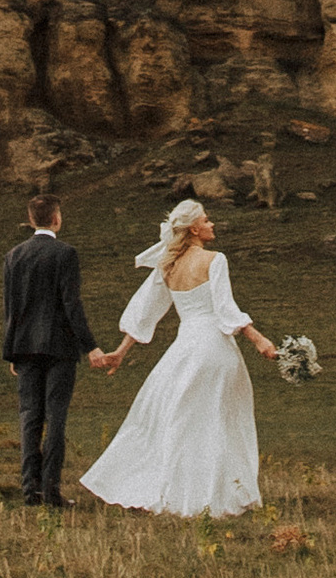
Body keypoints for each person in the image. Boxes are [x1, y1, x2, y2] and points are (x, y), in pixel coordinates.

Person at [79, 198, 280, 521]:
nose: (212, 224)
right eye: (207, 220)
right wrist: (259, 340)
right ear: (194, 229)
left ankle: (183, 490)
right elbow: (225, 310)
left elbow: (146, 310)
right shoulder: (214, 260)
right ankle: (217, 493)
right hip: (214, 349)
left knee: (179, 419)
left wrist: (121, 351)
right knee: (218, 420)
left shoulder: (169, 265)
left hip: (184, 350)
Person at [0, 194, 96, 511]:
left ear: (31, 220)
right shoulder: (66, 253)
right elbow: (71, 304)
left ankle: (30, 490)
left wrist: (11, 352)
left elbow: (11, 308)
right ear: (56, 218)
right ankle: (51, 490)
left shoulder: (13, 256)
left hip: (25, 347)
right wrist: (90, 345)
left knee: (30, 416)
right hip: (59, 347)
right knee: (56, 417)